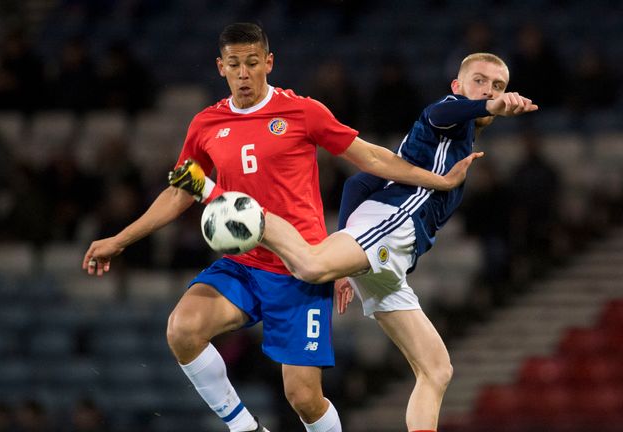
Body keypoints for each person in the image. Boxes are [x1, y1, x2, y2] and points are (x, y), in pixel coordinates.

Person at [82, 23, 481, 432]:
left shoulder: (302, 111)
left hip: (298, 270)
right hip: (243, 264)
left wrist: (441, 180)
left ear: (268, 63)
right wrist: (120, 239)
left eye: (252, 63)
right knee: (183, 329)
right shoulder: (205, 124)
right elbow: (180, 190)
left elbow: (372, 160)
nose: (243, 73)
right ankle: (244, 427)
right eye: (234, 64)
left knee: (304, 398)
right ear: (220, 67)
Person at [256, 53, 538, 431]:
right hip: (392, 224)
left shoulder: (447, 142)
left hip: (392, 258)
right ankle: (246, 215)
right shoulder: (449, 115)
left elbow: (358, 183)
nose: (489, 90)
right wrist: (491, 105)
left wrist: (346, 263)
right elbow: (443, 113)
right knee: (309, 266)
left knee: (437, 369)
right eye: (480, 81)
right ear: (457, 87)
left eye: (498, 86)